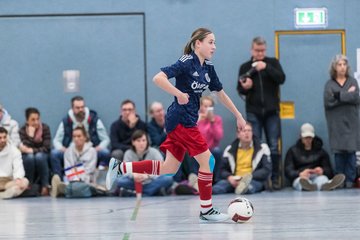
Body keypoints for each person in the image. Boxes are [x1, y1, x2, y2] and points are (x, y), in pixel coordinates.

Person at [107, 28, 246, 223]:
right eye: (211, 42)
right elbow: (158, 78)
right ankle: (206, 210)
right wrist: (178, 94)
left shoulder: (208, 67)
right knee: (209, 161)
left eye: (215, 43)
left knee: (168, 168)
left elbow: (220, 93)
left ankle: (120, 168)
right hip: (181, 119)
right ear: (198, 44)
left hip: (183, 120)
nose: (214, 47)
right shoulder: (186, 61)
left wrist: (238, 115)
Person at [237, 37, 286, 189]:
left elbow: (281, 79)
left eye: (262, 50)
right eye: (257, 50)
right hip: (253, 111)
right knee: (256, 145)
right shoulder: (245, 66)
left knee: (273, 146)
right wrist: (246, 87)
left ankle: (276, 178)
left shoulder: (273, 62)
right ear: (252, 50)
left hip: (272, 111)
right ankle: (260, 180)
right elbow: (239, 88)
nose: (260, 53)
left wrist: (266, 67)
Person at [51, 96, 110, 178]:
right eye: (77, 108)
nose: (80, 110)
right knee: (54, 153)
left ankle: (101, 180)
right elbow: (56, 140)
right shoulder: (66, 121)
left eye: (82, 107)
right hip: (71, 151)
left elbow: (106, 139)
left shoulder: (94, 119)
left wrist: (99, 147)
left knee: (105, 153)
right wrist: (62, 148)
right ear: (72, 108)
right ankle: (58, 180)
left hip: (91, 150)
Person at [324, 55, 360, 188]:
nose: (342, 67)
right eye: (339, 64)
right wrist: (346, 95)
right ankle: (339, 180)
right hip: (336, 123)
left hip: (351, 122)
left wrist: (338, 95)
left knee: (351, 152)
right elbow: (329, 101)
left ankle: (350, 180)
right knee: (339, 152)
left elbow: (356, 97)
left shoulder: (353, 82)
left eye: (344, 64)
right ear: (334, 67)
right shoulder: (329, 84)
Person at [212, 123, 271, 195]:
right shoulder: (230, 149)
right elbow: (222, 169)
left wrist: (250, 176)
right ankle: (199, 188)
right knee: (217, 189)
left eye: (249, 131)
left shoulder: (262, 148)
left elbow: (266, 169)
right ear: (238, 134)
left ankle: (244, 188)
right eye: (244, 131)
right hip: (234, 179)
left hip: (252, 179)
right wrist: (229, 177)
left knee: (251, 187)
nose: (247, 133)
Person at [285, 123, 345, 191]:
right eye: (306, 138)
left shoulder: (321, 152)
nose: (308, 140)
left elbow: (329, 170)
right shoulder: (292, 151)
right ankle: (309, 186)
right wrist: (300, 173)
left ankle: (326, 185)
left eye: (310, 138)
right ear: (301, 137)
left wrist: (323, 171)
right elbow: (288, 171)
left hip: (317, 176)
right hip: (301, 177)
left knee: (323, 179)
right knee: (300, 182)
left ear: (313, 137)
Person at [114, 130, 173, 197]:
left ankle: (137, 193)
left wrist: (147, 176)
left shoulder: (154, 152)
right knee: (119, 181)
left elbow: (162, 168)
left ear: (147, 141)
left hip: (151, 181)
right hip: (135, 181)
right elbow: (125, 171)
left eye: (143, 140)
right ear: (133, 142)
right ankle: (150, 192)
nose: (141, 143)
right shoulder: (128, 153)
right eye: (138, 141)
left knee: (168, 179)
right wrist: (134, 175)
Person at [51, 125, 106, 197]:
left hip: (87, 179)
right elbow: (68, 169)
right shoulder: (68, 151)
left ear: (85, 137)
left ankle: (63, 190)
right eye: (74, 136)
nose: (76, 139)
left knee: (89, 187)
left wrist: (79, 177)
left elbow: (89, 170)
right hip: (72, 179)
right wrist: (74, 178)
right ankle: (65, 188)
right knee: (71, 184)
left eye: (79, 136)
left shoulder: (92, 151)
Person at [19, 107, 51, 196]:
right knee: (29, 158)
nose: (36, 122)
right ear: (27, 121)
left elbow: (46, 147)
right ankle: (30, 185)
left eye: (37, 119)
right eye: (33, 120)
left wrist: (33, 150)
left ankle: (45, 186)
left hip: (43, 154)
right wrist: (30, 136)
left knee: (39, 157)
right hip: (27, 156)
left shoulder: (45, 128)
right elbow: (25, 147)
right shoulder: (22, 130)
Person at [197, 95, 223, 182]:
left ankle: (216, 180)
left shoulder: (217, 119)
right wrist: (198, 121)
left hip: (211, 149)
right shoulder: (195, 119)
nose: (208, 109)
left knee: (217, 151)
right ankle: (193, 179)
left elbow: (218, 137)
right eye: (205, 106)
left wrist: (212, 122)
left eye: (210, 106)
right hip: (198, 150)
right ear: (200, 107)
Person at [0, 127, 29, 199]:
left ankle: (4, 195)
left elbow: (18, 167)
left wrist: (18, 179)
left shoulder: (14, 150)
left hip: (8, 182)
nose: (2, 140)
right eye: (0, 138)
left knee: (25, 181)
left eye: (4, 137)